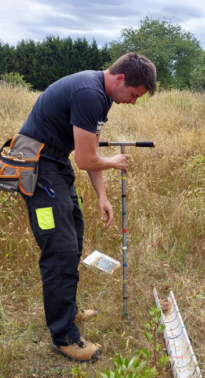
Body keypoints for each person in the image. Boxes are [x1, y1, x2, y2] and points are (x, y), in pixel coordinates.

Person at [18, 52, 157, 362]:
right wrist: (115, 162)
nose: (133, 102)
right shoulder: (89, 93)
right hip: (38, 169)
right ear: (120, 79)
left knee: (75, 236)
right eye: (134, 95)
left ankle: (67, 309)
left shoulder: (101, 96)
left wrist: (102, 196)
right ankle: (64, 337)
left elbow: (89, 151)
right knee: (60, 251)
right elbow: (87, 160)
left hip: (54, 165)